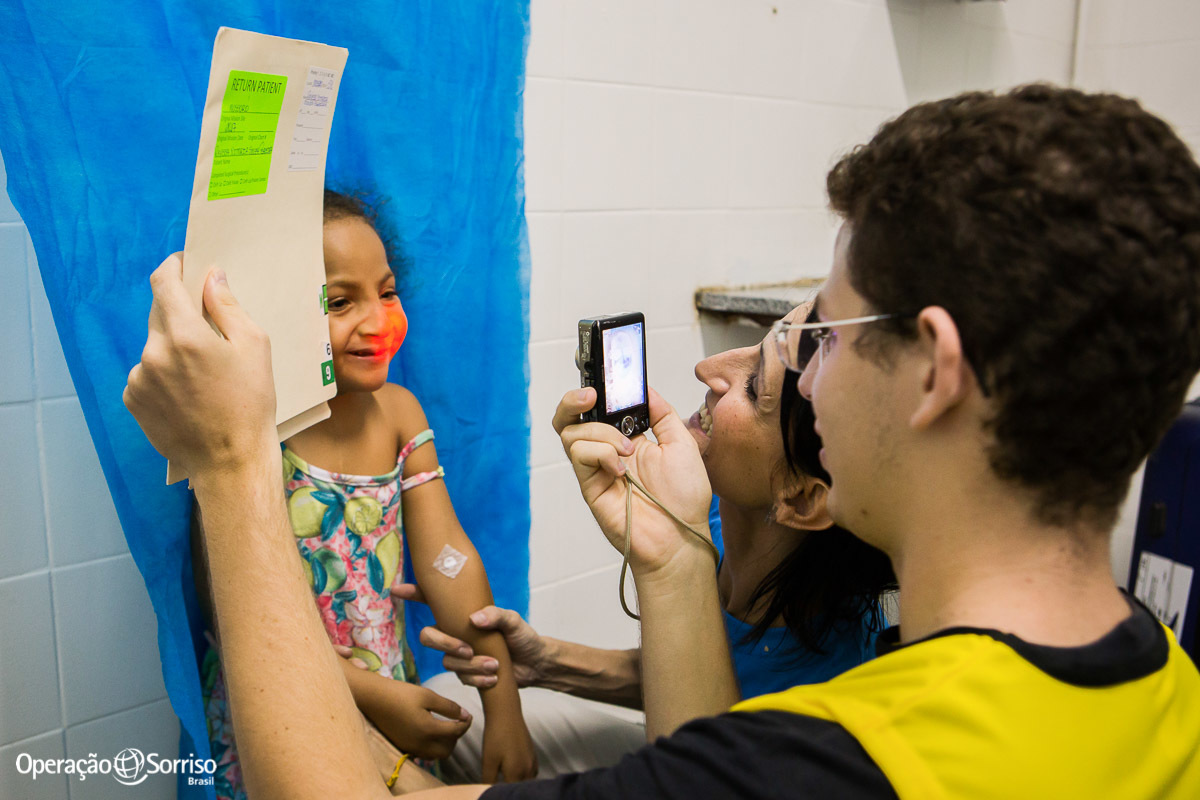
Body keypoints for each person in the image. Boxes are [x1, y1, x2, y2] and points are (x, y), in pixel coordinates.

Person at [125, 84, 1200, 800]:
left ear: (936, 371)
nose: (764, 372)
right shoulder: (1169, 687)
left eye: (817, 336)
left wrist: (230, 465)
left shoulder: (826, 758)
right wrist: (676, 556)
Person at [381, 303, 895, 781]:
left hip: (707, 777)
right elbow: (700, 666)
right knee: (447, 695)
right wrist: (547, 661)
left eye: (754, 383)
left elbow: (696, 783)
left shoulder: (824, 694)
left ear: (803, 499)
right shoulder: (711, 508)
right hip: (687, 752)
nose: (709, 367)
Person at [190, 189, 536, 797]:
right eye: (340, 300)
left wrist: (502, 698)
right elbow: (230, 610)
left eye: (388, 291)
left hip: (393, 706)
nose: (377, 321)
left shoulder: (400, 415)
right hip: (279, 716)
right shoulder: (245, 439)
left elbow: (446, 559)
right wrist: (378, 696)